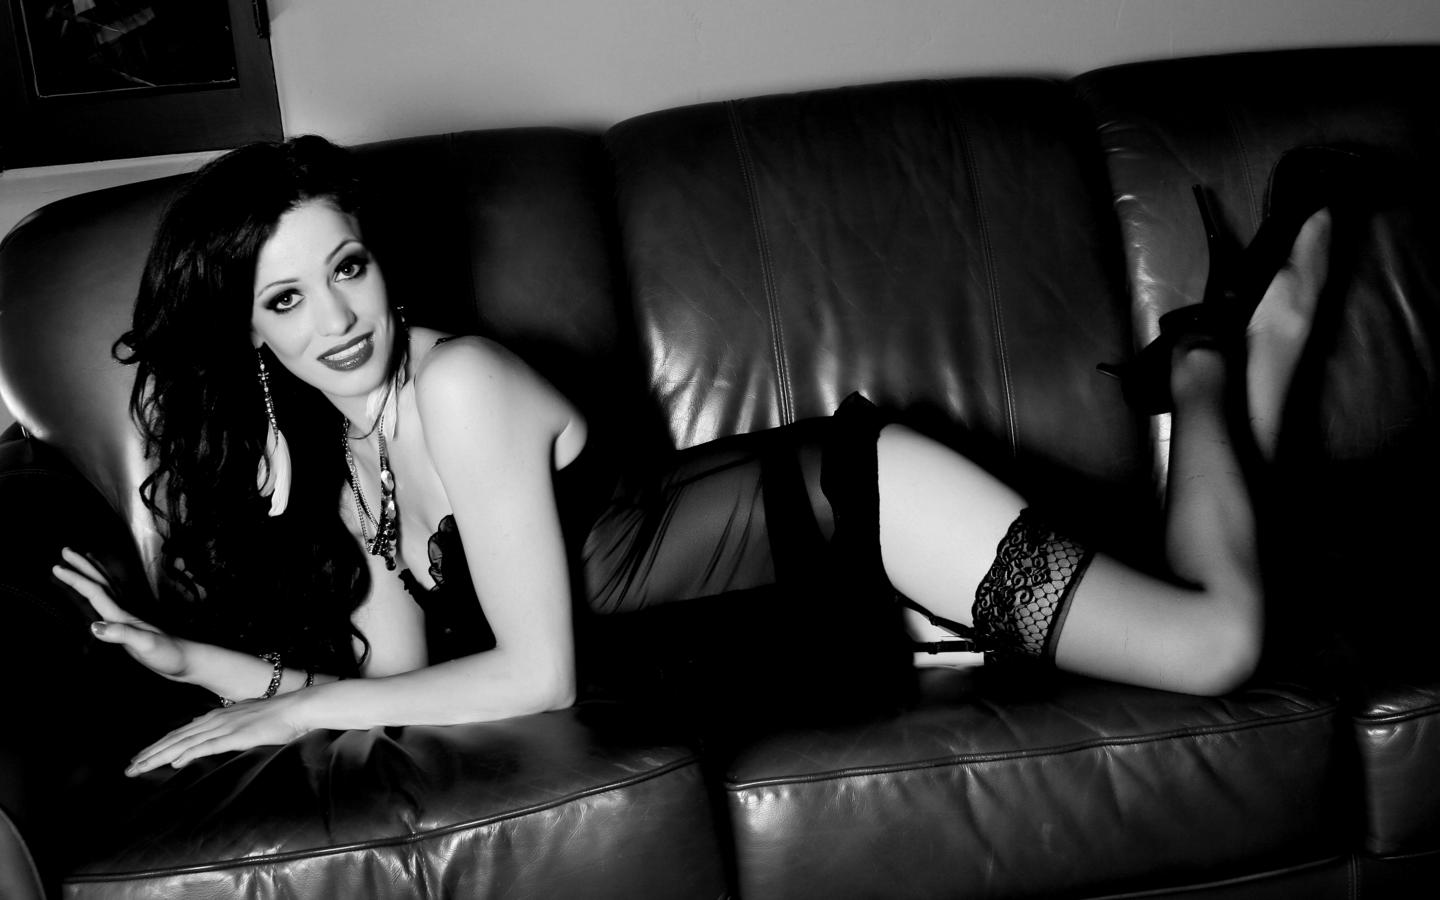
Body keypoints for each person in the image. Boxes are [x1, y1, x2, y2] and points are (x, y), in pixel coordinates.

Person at [51, 135, 1347, 777]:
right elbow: (398, 685)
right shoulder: (353, 458)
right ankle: (1227, 376)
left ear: (380, 259)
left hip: (871, 510)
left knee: (1214, 646)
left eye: (347, 267)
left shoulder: (460, 387)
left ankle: (1202, 364)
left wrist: (293, 707)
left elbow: (538, 676)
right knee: (1178, 595)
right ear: (250, 333)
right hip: (832, 615)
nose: (337, 320)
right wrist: (207, 670)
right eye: (286, 300)